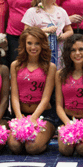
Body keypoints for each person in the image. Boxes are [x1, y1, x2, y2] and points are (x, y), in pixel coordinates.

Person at [8, 26, 58, 155]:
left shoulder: (50, 67)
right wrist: (19, 117)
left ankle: (45, 137)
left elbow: (46, 98)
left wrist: (34, 118)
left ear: (42, 45)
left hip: (44, 116)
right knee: (14, 146)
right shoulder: (15, 65)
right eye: (29, 43)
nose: (33, 47)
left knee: (32, 147)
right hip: (22, 114)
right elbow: (14, 95)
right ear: (24, 44)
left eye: (37, 43)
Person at [22, 0, 73, 64]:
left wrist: (63, 36)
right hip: (39, 51)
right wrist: (45, 31)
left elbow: (70, 31)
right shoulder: (32, 12)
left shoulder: (61, 11)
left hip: (59, 51)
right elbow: (26, 33)